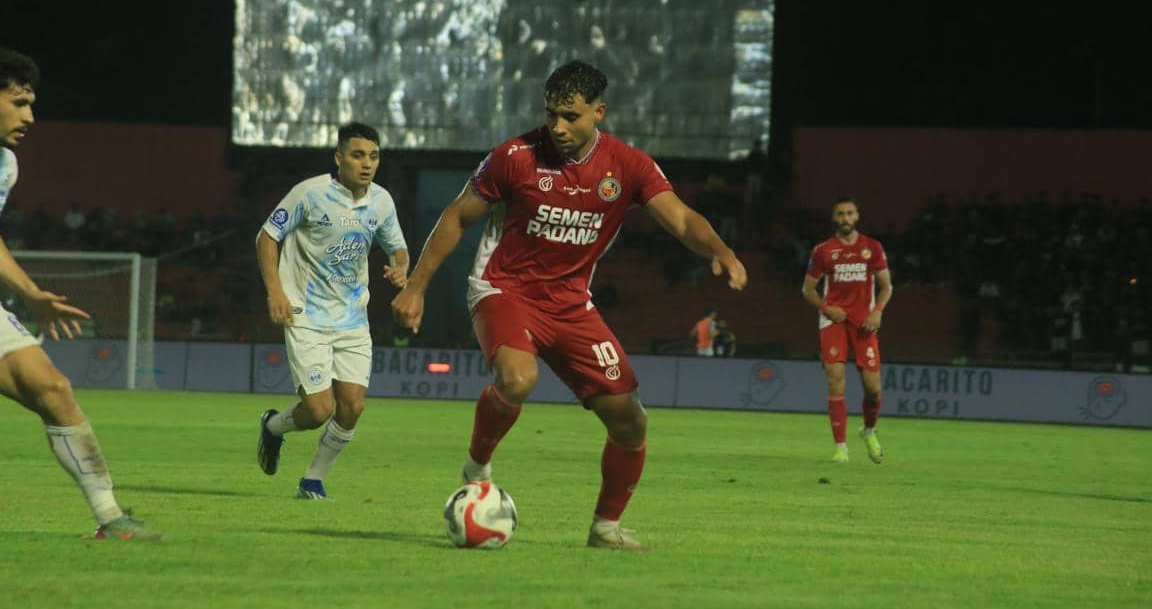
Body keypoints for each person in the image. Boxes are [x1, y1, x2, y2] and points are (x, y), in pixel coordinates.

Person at [391, 60, 747, 550]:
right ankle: (477, 467)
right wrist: (416, 286)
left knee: (630, 420)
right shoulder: (514, 156)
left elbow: (682, 220)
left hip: (571, 305)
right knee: (518, 378)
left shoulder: (628, 166)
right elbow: (456, 216)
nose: (557, 126)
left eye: (571, 116)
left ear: (598, 112)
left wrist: (720, 252)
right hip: (504, 288)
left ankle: (604, 529)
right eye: (551, 113)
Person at [0, 46, 160, 540]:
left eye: (31, 103)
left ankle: (112, 519)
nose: (30, 116)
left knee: (55, 390)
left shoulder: (5, 165)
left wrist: (30, 293)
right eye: (19, 103)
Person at [255, 122, 409, 500]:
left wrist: (401, 266)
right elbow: (266, 237)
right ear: (339, 158)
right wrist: (275, 291)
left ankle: (312, 480)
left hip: (353, 319)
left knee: (353, 407)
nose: (367, 164)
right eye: (358, 155)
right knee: (320, 410)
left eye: (373, 156)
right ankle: (274, 427)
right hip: (306, 315)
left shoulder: (381, 202)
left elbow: (398, 247)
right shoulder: (309, 194)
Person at [801, 196, 892, 464]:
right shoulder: (823, 251)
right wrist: (826, 309)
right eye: (840, 214)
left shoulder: (872, 248)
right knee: (835, 378)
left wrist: (877, 312)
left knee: (873, 389)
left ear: (857, 216)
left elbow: (886, 286)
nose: (845, 218)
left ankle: (868, 430)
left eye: (850, 213)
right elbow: (807, 289)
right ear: (834, 218)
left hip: (864, 322)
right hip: (834, 320)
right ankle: (841, 447)